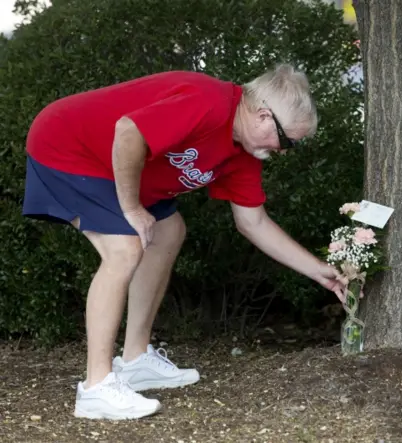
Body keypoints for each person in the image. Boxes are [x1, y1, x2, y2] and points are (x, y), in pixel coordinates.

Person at [21, 64, 348, 420]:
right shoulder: (210, 102)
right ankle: (95, 389)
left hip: (118, 165)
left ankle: (134, 360)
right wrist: (131, 208)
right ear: (264, 116)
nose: (284, 152)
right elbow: (128, 132)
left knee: (169, 230)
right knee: (125, 248)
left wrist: (319, 272)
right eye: (287, 142)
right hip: (68, 146)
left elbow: (252, 222)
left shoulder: (244, 153)